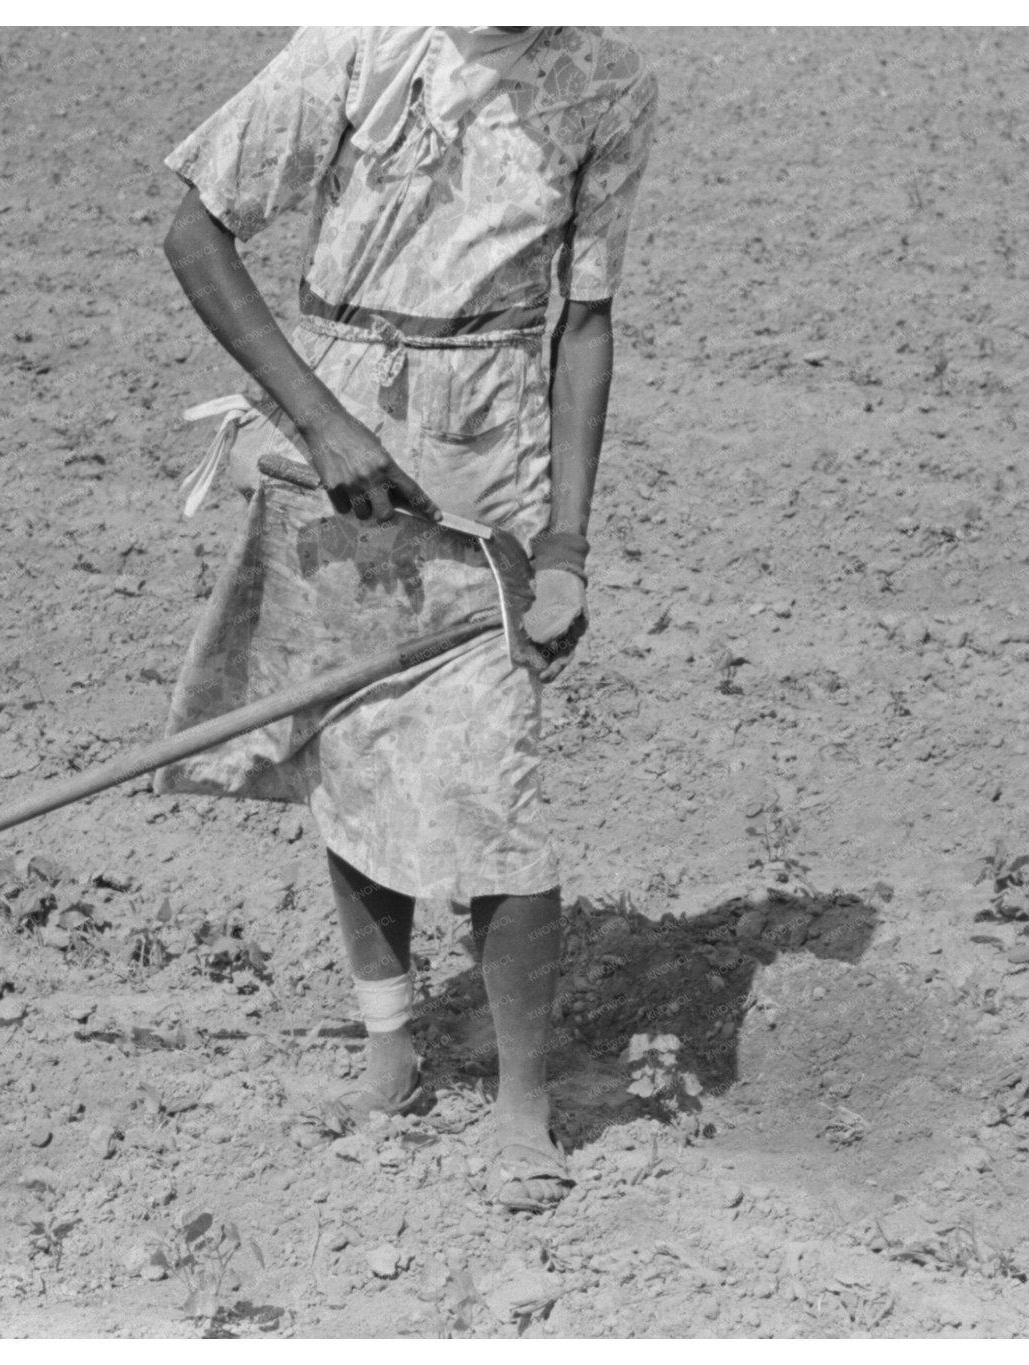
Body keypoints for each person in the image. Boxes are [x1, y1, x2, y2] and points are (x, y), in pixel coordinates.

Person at [156, 26, 655, 1213]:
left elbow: (582, 327)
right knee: (350, 748)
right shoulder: (358, 41)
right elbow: (192, 223)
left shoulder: (608, 84)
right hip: (329, 448)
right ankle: (392, 1045)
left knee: (495, 779)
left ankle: (523, 1107)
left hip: (487, 473)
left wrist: (569, 546)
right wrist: (322, 425)